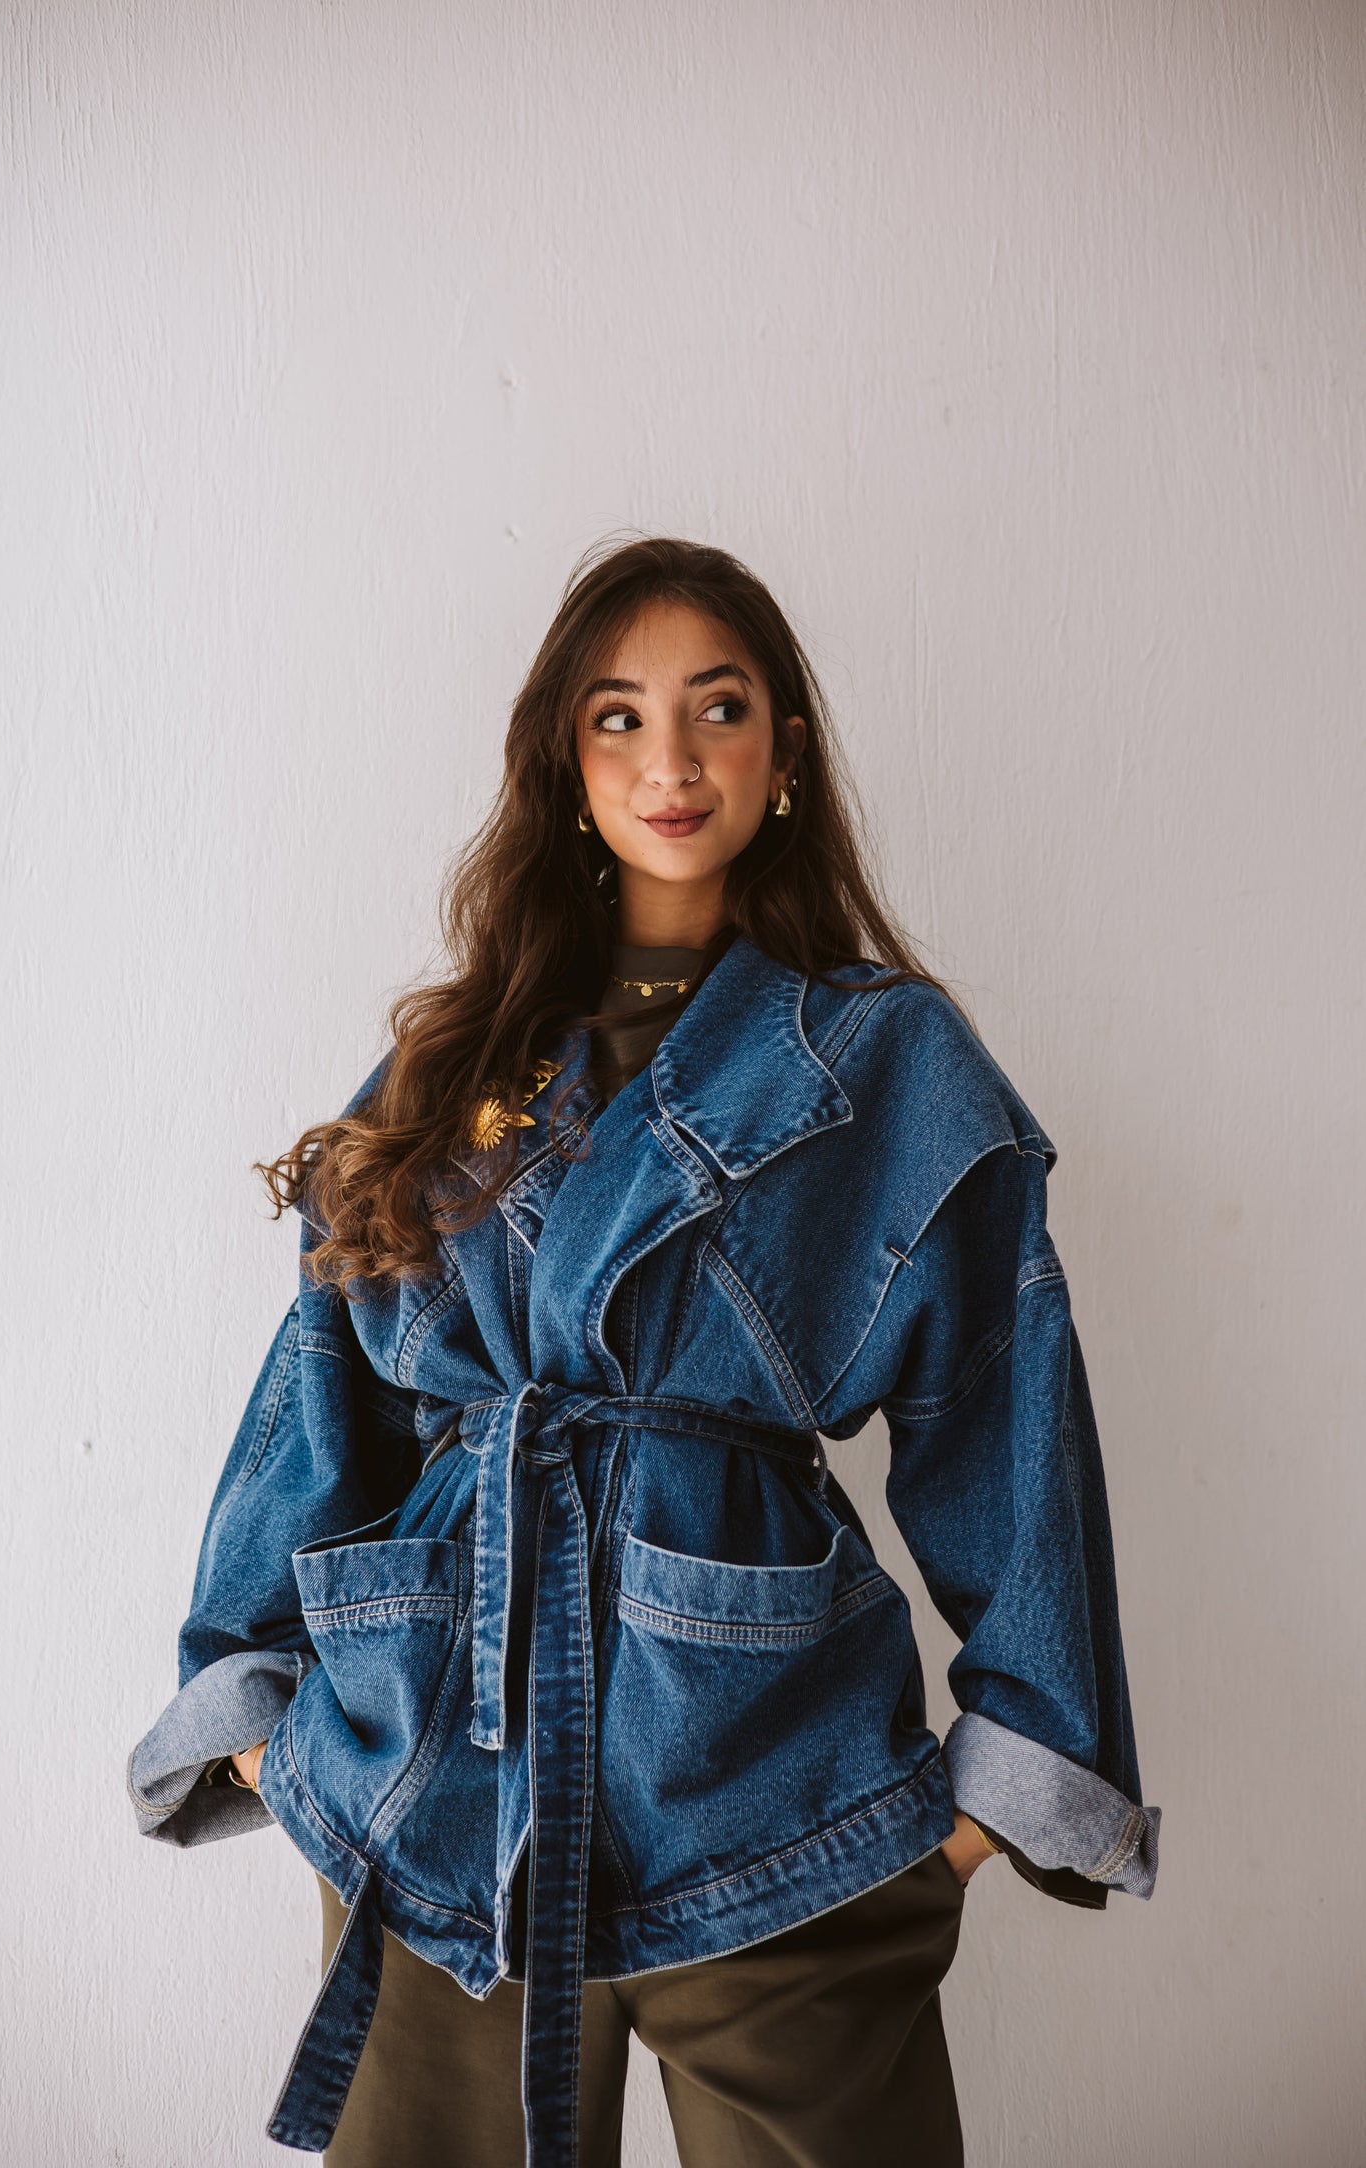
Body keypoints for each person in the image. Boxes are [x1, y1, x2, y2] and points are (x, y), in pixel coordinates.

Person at [127, 535, 1160, 2167]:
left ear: (784, 745)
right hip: (437, 1790)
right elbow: (323, 1386)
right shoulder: (449, 1058)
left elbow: (1000, 1412)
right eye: (616, 717)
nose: (668, 761)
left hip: (771, 1781)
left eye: (716, 708)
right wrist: (261, 1705)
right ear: (563, 754)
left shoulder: (890, 1057)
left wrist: (995, 1794)